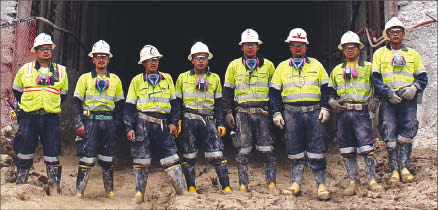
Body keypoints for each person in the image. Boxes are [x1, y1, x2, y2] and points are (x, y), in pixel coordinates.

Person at [269, 28, 331, 200]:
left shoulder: (317, 65)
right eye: (294, 45)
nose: (298, 48)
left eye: (301, 45)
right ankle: (296, 183)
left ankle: (321, 185)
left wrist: (326, 108)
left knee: (317, 150)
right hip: (291, 114)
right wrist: (276, 113)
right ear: (289, 47)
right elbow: (274, 93)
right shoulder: (282, 68)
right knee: (294, 149)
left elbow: (326, 89)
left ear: (306, 46)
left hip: (314, 113)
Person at [123, 45, 187, 204]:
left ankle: (181, 189)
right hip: (142, 122)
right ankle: (139, 194)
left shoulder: (167, 79)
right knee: (141, 159)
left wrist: (173, 122)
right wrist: (129, 127)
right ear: (143, 63)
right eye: (149, 60)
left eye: (155, 60)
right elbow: (129, 107)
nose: (153, 63)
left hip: (163, 124)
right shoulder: (136, 81)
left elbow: (175, 104)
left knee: (171, 157)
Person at [371, 17, 428, 184]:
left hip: (407, 99)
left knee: (408, 130)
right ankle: (394, 170)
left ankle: (405, 167)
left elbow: (423, 77)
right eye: (392, 32)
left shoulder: (413, 54)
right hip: (389, 99)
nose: (395, 34)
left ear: (403, 33)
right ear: (387, 35)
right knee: (389, 133)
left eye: (398, 31)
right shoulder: (379, 54)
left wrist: (414, 88)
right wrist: (387, 93)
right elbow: (376, 79)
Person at [12, 33, 68, 195]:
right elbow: (17, 91)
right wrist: (30, 105)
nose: (46, 51)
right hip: (29, 117)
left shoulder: (60, 71)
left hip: (50, 117)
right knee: (24, 149)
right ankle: (21, 183)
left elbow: (63, 95)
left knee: (52, 151)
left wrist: (49, 104)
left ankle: (54, 187)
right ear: (35, 51)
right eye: (42, 49)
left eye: (48, 48)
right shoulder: (25, 70)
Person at [327, 31, 384, 195]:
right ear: (343, 51)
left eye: (353, 47)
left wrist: (376, 98)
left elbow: (379, 85)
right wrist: (332, 102)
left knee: (366, 147)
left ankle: (371, 179)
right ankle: (353, 181)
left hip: (361, 114)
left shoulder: (368, 68)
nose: (350, 50)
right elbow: (330, 92)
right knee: (347, 148)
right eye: (346, 48)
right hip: (343, 114)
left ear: (359, 49)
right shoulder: (337, 70)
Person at [222, 29, 277, 192]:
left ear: (258, 46)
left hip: (263, 112)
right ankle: (243, 184)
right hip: (242, 113)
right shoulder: (233, 66)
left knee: (267, 149)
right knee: (243, 150)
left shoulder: (268, 66)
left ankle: (271, 183)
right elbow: (227, 92)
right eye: (247, 45)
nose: (250, 47)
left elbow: (274, 92)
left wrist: (275, 112)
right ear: (241, 47)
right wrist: (227, 112)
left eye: (253, 44)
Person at [175, 42, 231, 193]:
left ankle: (226, 186)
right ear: (191, 60)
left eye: (204, 58)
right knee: (189, 154)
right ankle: (191, 186)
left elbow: (219, 103)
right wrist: (177, 120)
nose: (200, 60)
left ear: (208, 60)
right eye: (197, 58)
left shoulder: (215, 78)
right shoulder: (183, 78)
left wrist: (220, 122)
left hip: (209, 119)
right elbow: (177, 103)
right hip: (189, 119)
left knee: (217, 153)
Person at [73, 40, 124, 198]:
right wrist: (79, 123)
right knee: (87, 157)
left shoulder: (115, 79)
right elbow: (76, 103)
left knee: (107, 158)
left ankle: (109, 191)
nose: (101, 59)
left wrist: (115, 123)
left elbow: (120, 104)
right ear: (93, 59)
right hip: (90, 122)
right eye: (98, 57)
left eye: (104, 56)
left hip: (108, 122)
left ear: (108, 59)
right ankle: (79, 192)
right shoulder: (84, 79)